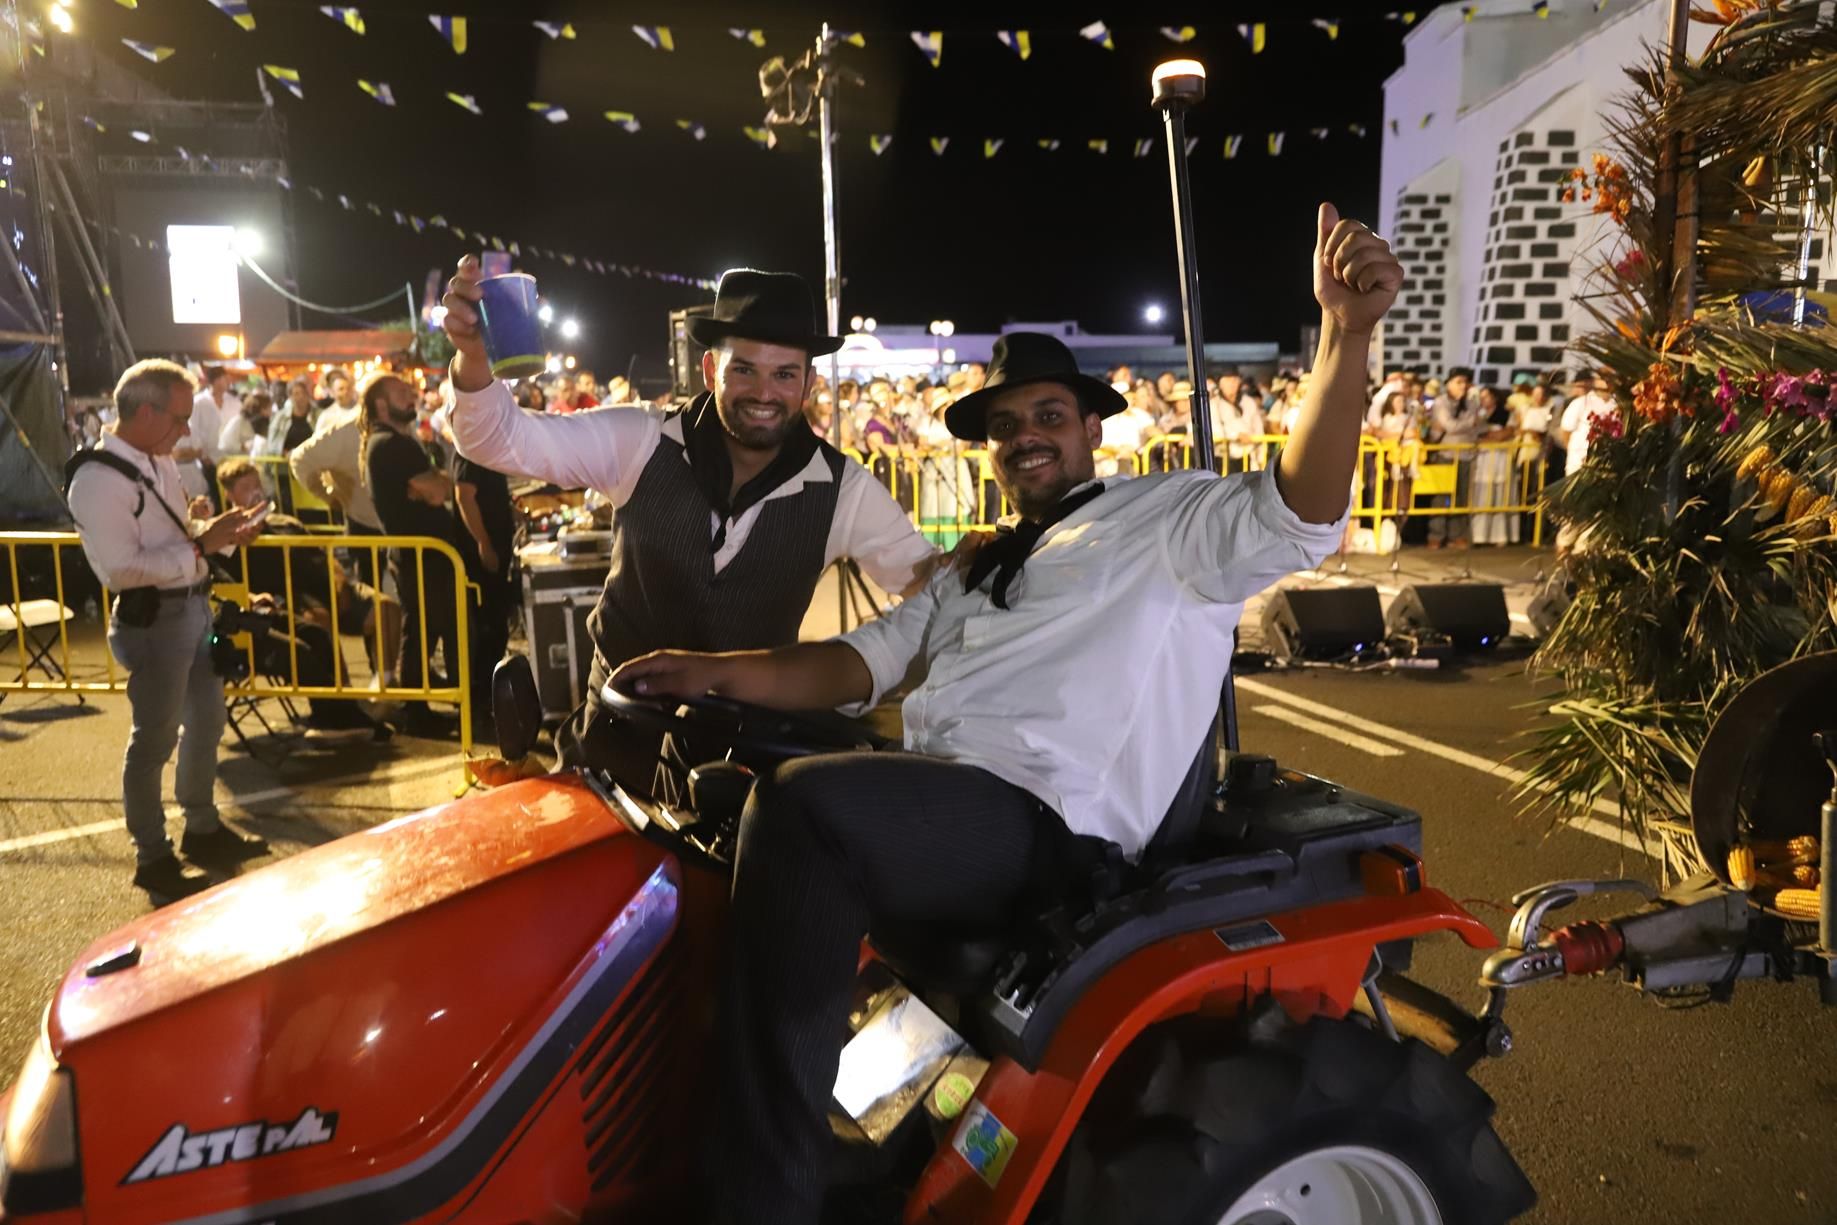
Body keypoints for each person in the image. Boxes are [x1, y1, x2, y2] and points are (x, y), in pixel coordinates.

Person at [610, 204, 1400, 1225]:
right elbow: (856, 662)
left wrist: (1344, 335)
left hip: (1051, 825)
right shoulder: (977, 563)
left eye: (1046, 417)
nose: (1024, 437)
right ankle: (833, 1134)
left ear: (1088, 427)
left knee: (805, 812)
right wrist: (707, 672)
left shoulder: (1164, 519)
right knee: (747, 795)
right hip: (957, 803)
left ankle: (759, 1198)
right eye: (1004, 427)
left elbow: (1300, 510)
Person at [442, 261, 939, 772]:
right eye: (743, 369)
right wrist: (475, 358)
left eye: (784, 374)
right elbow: (496, 440)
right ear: (708, 370)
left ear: (808, 383)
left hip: (743, 769)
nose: (764, 393)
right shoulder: (640, 440)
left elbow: (934, 592)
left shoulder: (843, 489)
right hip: (610, 742)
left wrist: (974, 567)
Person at [66, 360, 269, 902]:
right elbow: (121, 571)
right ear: (146, 412)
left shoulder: (155, 459)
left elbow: (175, 541)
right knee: (153, 740)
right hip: (155, 620)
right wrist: (202, 543)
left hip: (192, 608)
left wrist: (217, 532)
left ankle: (201, 827)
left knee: (207, 722)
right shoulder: (98, 479)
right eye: (180, 418)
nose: (186, 430)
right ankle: (153, 856)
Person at [214, 458, 387, 741]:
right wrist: (252, 596)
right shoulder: (223, 537)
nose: (256, 491)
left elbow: (319, 559)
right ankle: (333, 715)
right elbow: (222, 580)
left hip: (280, 604)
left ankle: (347, 711)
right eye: (246, 487)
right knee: (305, 644)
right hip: (246, 619)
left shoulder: (284, 523)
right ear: (229, 494)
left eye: (257, 484)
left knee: (318, 632)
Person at [360, 373, 487, 736]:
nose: (412, 397)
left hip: (422, 553)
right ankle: (422, 712)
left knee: (427, 631)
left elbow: (433, 487)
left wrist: (432, 483)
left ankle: (425, 710)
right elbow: (437, 491)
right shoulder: (390, 445)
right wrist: (436, 484)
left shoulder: (396, 442)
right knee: (426, 633)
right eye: (402, 393)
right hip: (422, 555)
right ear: (381, 405)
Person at [290, 368, 387, 581]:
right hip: (363, 519)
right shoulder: (343, 427)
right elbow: (301, 459)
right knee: (368, 586)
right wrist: (327, 494)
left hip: (395, 519)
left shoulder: (401, 423)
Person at [1427, 367, 1483, 549]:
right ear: (1449, 383)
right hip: (1445, 453)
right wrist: (1469, 423)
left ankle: (1458, 535)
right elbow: (1449, 426)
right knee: (1441, 496)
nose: (1463, 386)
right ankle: (1436, 535)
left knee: (1462, 496)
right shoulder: (1441, 402)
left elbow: (1475, 426)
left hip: (1466, 454)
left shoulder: (1471, 403)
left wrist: (1465, 425)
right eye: (1459, 382)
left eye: (1465, 382)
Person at [1469, 384, 1521, 546]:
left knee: (1501, 494)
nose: (1483, 400)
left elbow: (1505, 434)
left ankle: (1501, 536)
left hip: (1500, 458)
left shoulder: (1507, 414)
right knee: (1482, 495)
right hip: (1483, 460)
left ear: (1495, 398)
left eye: (1486, 397)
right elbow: (1473, 435)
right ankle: (1479, 535)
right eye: (1481, 397)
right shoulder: (1477, 415)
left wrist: (1489, 436)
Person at [265, 377, 320, 458]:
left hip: (313, 460)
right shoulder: (280, 418)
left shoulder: (318, 415)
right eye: (296, 394)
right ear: (290, 397)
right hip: (287, 462)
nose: (301, 397)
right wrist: (284, 453)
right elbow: (272, 443)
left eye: (303, 393)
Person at [217, 390, 272, 458]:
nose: (270, 412)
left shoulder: (262, 423)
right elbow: (225, 444)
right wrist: (244, 447)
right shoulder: (238, 421)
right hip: (235, 461)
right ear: (261, 409)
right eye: (269, 408)